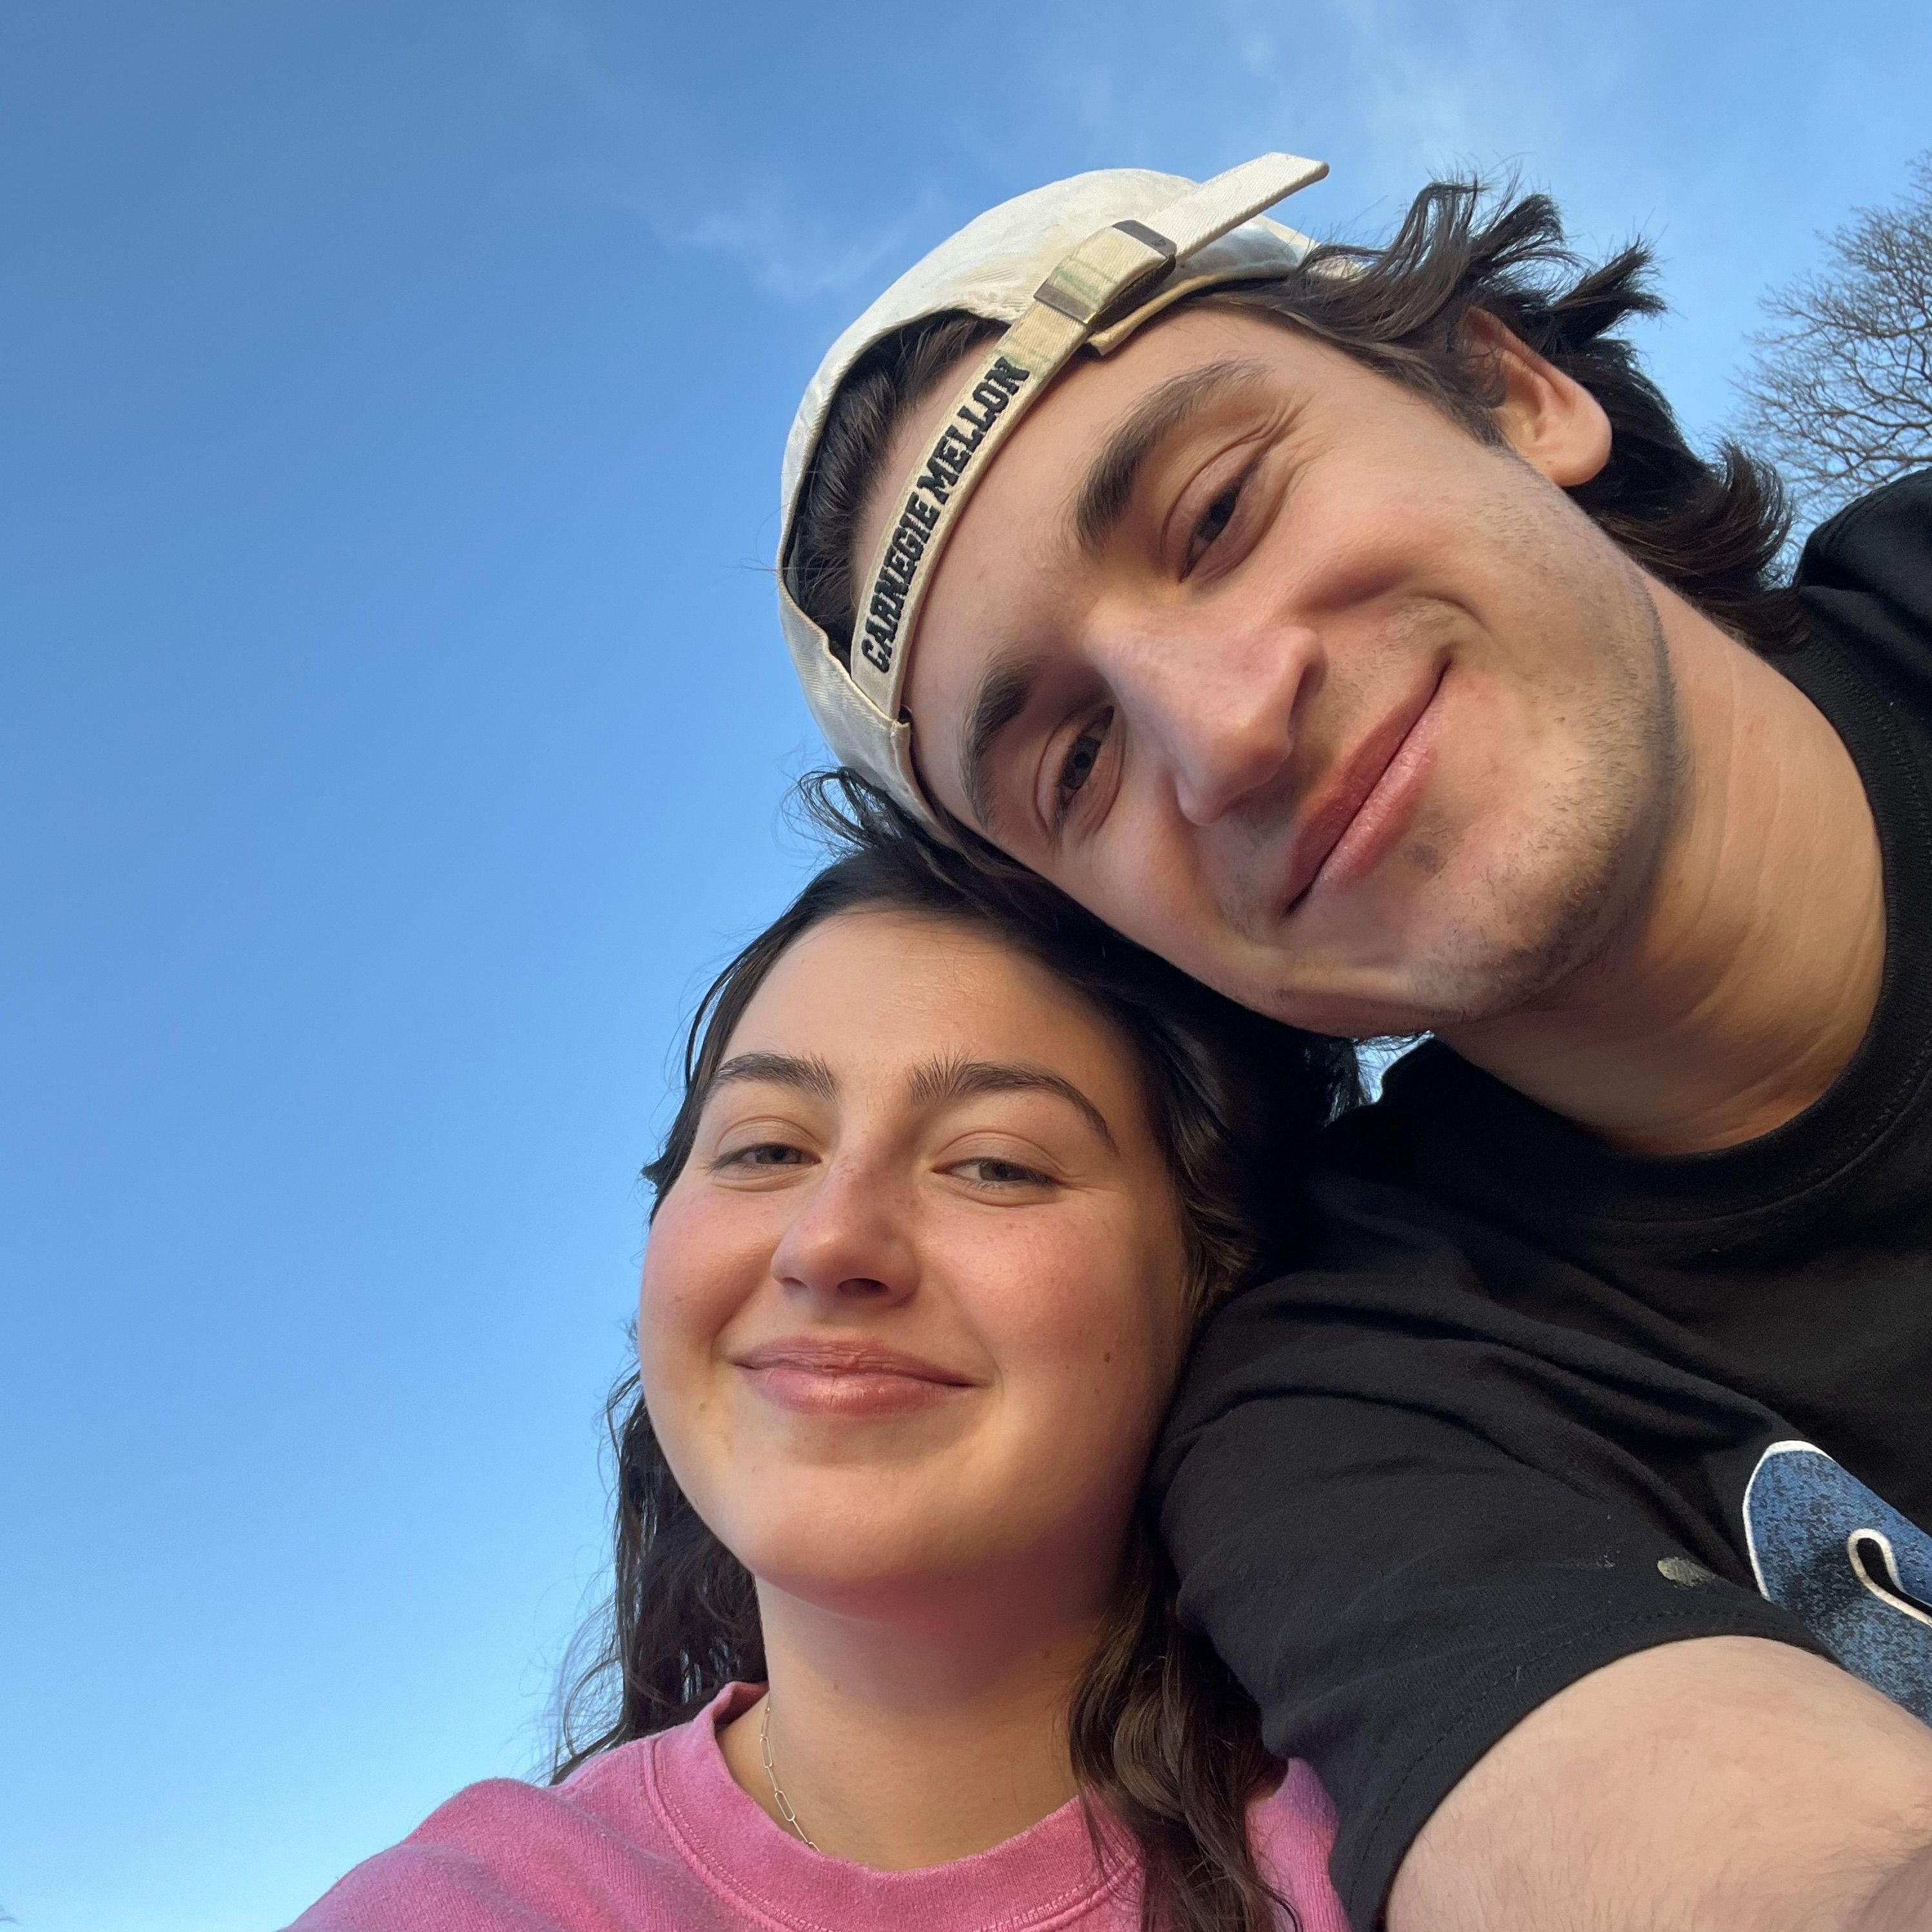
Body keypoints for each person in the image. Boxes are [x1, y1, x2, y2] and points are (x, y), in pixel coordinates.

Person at [772, 153, 1932, 1929]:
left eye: (1219, 511)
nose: (1222, 728)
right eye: (1074, 761)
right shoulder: (1350, 1405)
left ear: (1510, 392)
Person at [285, 776, 1361, 1931]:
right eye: (764, 1150)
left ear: (1214, 1273)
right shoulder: (471, 1904)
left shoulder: (1417, 1842)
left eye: (994, 1162)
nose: (828, 1242)